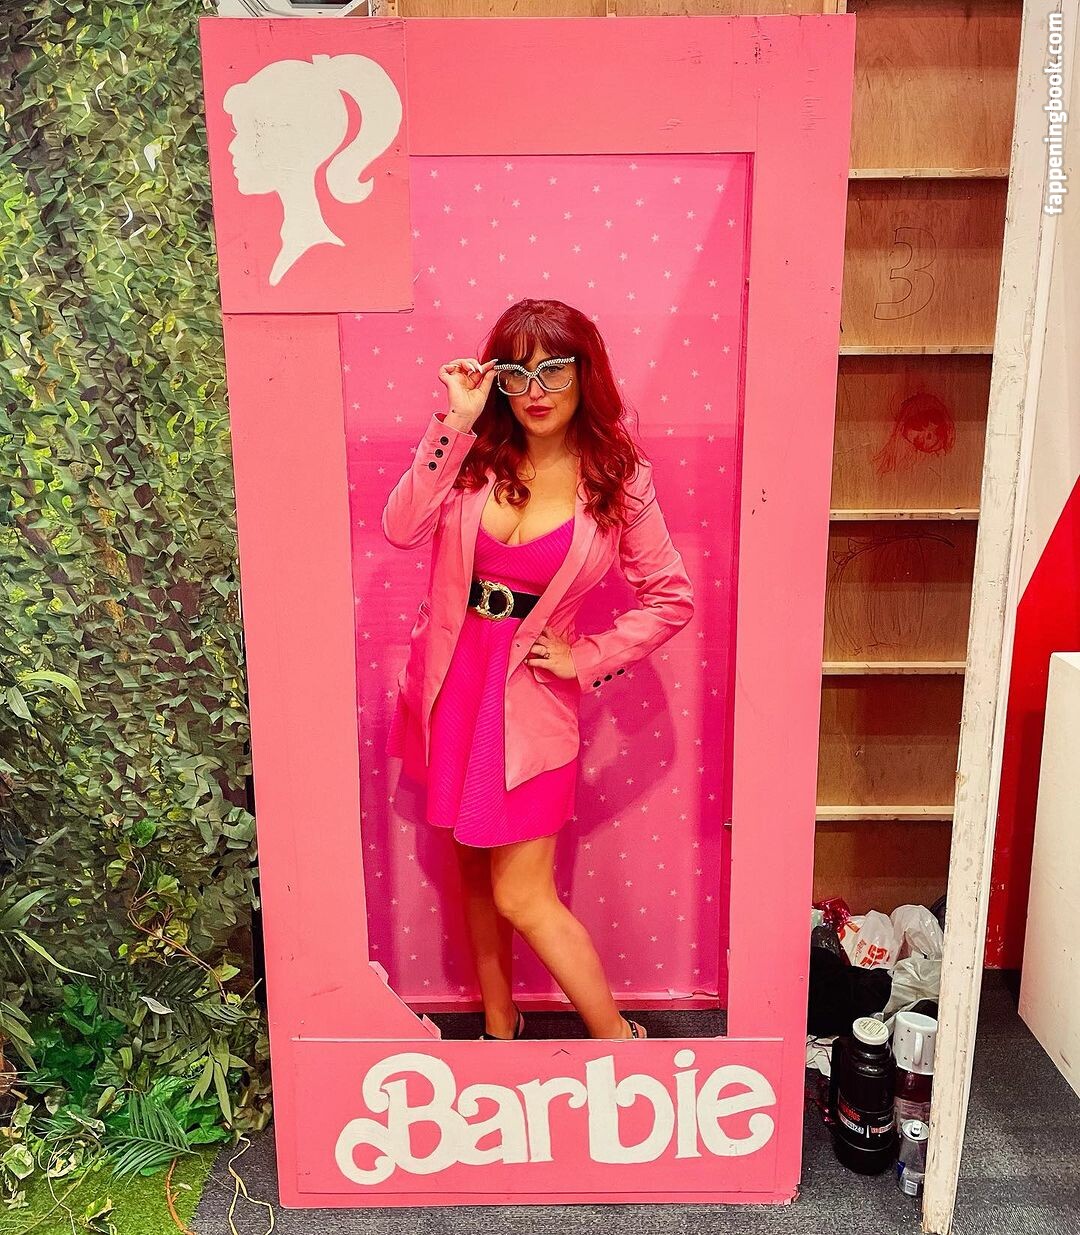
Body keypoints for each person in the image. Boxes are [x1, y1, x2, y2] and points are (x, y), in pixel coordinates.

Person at [382, 298, 695, 1041]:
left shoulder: (618, 477)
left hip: (529, 701)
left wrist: (587, 658)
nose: (536, 389)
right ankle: (500, 1024)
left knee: (522, 894)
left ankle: (620, 1041)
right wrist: (455, 421)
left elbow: (671, 597)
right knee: (471, 869)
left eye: (554, 368)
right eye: (517, 372)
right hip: (452, 685)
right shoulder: (474, 458)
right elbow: (401, 527)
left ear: (585, 373)